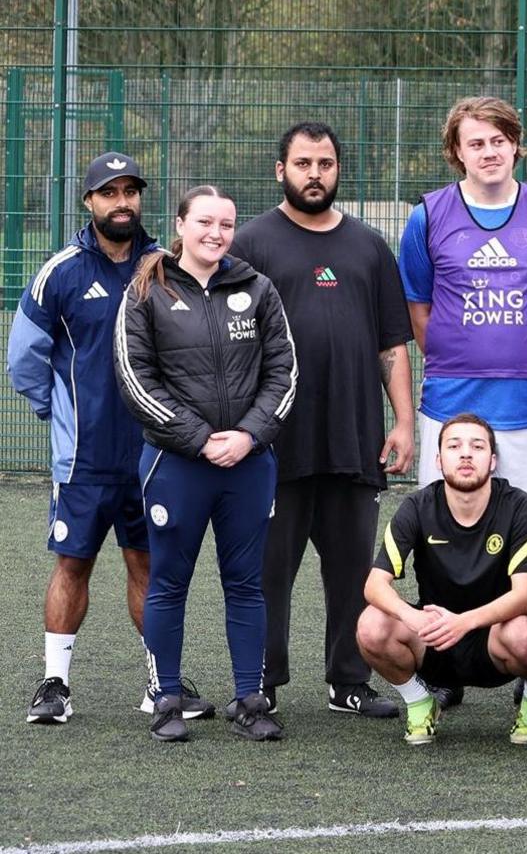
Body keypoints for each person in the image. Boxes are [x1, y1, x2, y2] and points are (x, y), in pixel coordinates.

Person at [231, 122, 414, 720]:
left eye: (327, 163)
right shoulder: (251, 243)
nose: (316, 174)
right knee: (267, 572)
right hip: (274, 443)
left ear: (339, 170)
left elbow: (393, 345)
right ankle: (262, 682)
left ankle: (348, 681)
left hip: (353, 440)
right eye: (304, 163)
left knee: (354, 573)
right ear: (279, 169)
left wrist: (404, 421)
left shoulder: (368, 246)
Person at [113, 185, 298, 742]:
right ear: (181, 224)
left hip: (249, 463)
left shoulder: (258, 288)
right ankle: (166, 699)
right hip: (176, 464)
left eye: (226, 224)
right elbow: (133, 377)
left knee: (246, 584)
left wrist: (246, 436)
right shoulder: (147, 289)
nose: (216, 234)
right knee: (168, 581)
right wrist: (199, 439)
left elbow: (284, 374)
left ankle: (250, 698)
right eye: (205, 223)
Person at [10, 152, 187, 723]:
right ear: (89, 202)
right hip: (83, 461)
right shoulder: (60, 271)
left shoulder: (166, 265)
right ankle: (55, 685)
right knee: (72, 564)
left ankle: (160, 683)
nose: (122, 202)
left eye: (131, 191)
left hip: (154, 455)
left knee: (148, 566)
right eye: (109, 193)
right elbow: (24, 361)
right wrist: (57, 412)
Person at [400, 96, 527, 524]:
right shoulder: (427, 217)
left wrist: (513, 343)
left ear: (516, 145)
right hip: (450, 398)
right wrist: (457, 354)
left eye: (499, 140)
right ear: (457, 152)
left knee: (525, 524)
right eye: (476, 143)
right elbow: (418, 307)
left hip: (526, 398)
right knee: (443, 525)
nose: (490, 152)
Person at [357, 414, 527, 746]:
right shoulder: (417, 507)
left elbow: (526, 594)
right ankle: (420, 702)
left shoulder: (518, 506)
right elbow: (374, 584)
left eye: (477, 446)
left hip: (495, 640)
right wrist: (414, 617)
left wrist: (464, 622)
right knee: (371, 626)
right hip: (433, 639)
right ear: (438, 459)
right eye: (454, 446)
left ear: (492, 461)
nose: (465, 454)